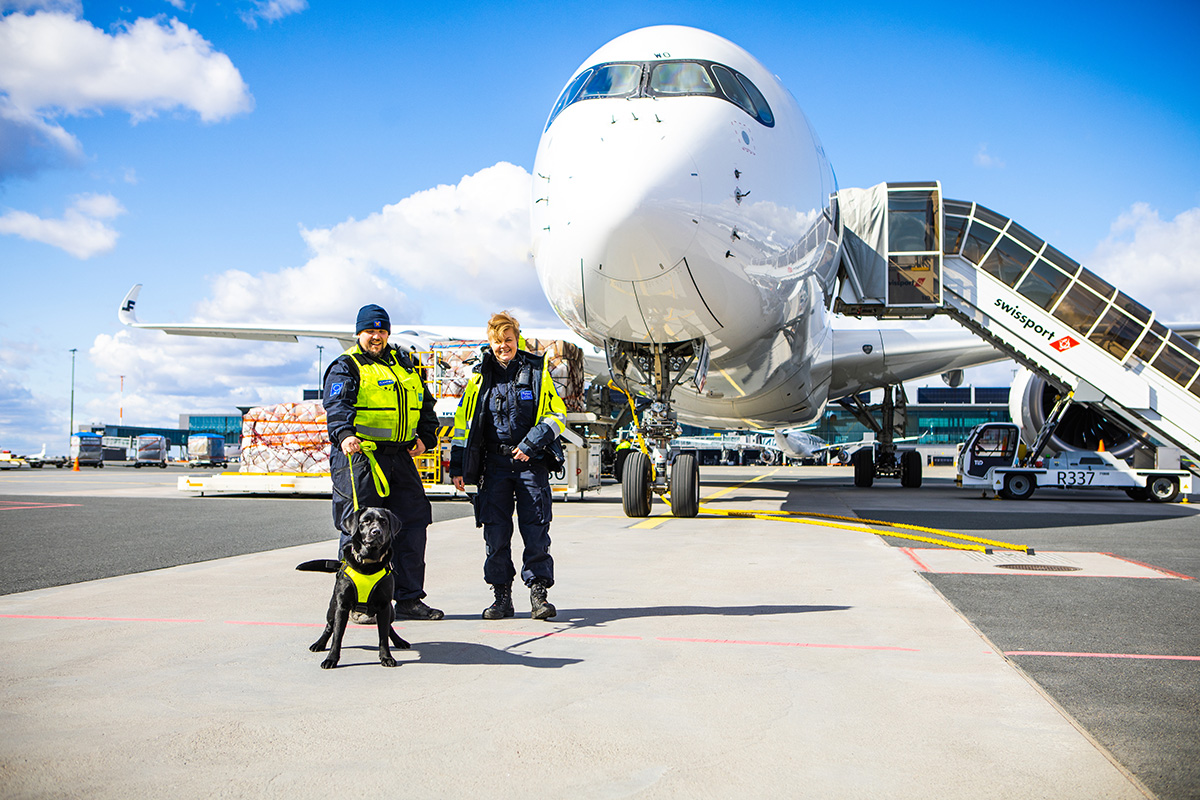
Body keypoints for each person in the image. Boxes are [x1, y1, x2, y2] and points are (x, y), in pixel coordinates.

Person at [323, 304, 443, 621]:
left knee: (413, 524)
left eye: (381, 330)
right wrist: (344, 433)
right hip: (360, 457)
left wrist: (427, 437)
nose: (376, 336)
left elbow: (425, 404)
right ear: (359, 332)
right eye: (370, 331)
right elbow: (336, 406)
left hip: (400, 457)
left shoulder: (403, 365)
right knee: (358, 530)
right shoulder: (346, 366)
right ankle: (358, 605)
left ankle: (409, 598)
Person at [450, 312, 567, 621]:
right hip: (494, 466)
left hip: (530, 464)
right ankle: (502, 598)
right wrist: (459, 466)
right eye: (498, 341)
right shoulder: (479, 378)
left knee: (536, 531)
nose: (504, 346)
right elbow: (464, 425)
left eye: (509, 340)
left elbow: (557, 415)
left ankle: (538, 596)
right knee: (496, 535)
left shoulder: (536, 371)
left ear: (518, 339)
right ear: (490, 342)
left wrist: (531, 444)